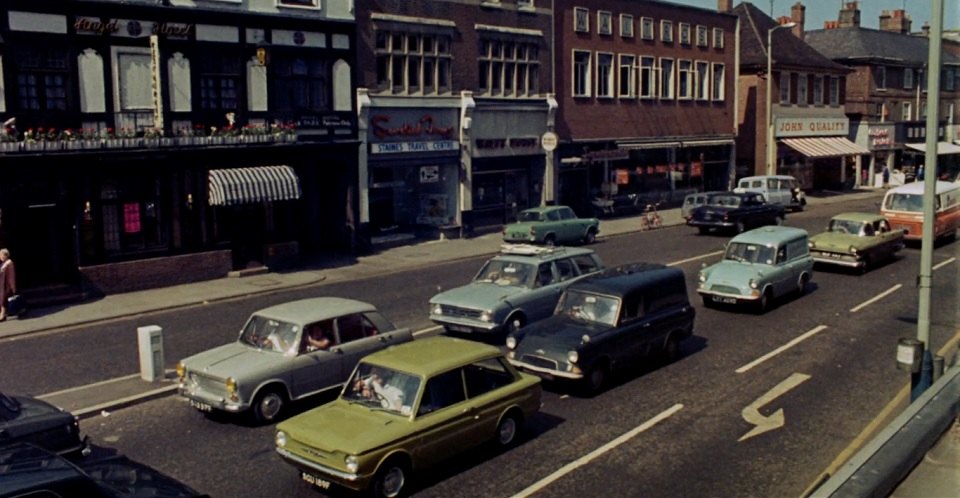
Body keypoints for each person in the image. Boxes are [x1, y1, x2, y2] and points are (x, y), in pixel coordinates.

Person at [0, 248, 16, 321]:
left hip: (6, 286)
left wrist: (13, 287)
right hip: (2, 285)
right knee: (3, 300)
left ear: (5, 255)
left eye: (1, 255)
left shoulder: (9, 263)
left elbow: (12, 276)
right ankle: (3, 314)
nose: (0, 257)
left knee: (3, 300)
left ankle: (2, 315)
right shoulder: (3, 264)